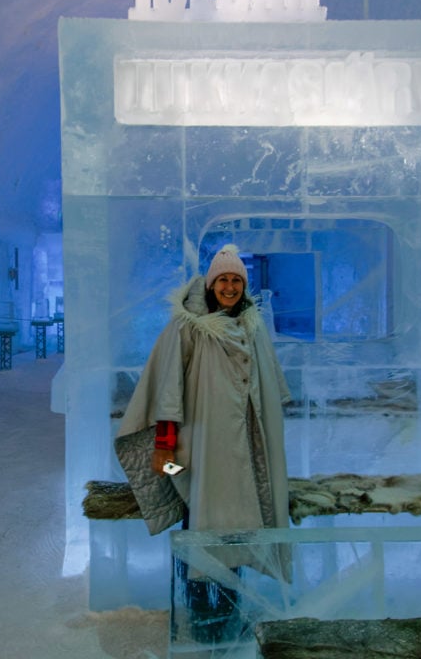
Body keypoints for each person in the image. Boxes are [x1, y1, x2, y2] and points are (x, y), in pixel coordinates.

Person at [114, 244, 291, 641]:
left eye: (236, 280)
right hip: (197, 450)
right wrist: (164, 445)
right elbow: (167, 388)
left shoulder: (252, 326)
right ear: (211, 285)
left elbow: (267, 386)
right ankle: (197, 612)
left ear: (243, 286)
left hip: (242, 449)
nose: (229, 287)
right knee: (198, 521)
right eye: (222, 280)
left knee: (238, 527)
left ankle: (230, 613)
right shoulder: (188, 327)